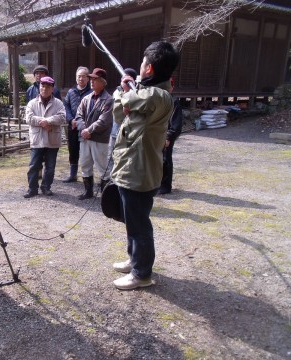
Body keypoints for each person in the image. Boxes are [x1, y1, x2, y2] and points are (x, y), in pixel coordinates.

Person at [111, 41, 180, 290]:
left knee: (140, 225)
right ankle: (134, 260)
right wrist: (126, 88)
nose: (139, 67)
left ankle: (142, 274)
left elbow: (133, 100)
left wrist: (125, 89)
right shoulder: (144, 94)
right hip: (130, 169)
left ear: (149, 69)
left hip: (141, 173)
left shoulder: (158, 97)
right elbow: (120, 115)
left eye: (142, 62)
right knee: (132, 221)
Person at [73, 68, 113, 200]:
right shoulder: (86, 98)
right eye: (92, 79)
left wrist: (88, 131)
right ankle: (88, 191)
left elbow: (104, 120)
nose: (92, 82)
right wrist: (84, 130)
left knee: (102, 166)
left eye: (95, 79)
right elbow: (78, 115)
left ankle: (105, 195)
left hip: (99, 138)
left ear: (103, 82)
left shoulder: (108, 100)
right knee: (85, 164)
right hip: (85, 138)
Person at [23, 76, 66, 198]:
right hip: (37, 139)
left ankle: (46, 187)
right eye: (42, 86)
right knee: (33, 165)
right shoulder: (32, 103)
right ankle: (32, 188)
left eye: (48, 87)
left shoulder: (58, 103)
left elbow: (62, 117)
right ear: (39, 88)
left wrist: (48, 121)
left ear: (52, 89)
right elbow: (29, 118)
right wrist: (44, 122)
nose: (45, 89)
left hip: (52, 139)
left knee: (50, 167)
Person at [62, 66, 92, 183]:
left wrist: (81, 123)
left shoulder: (91, 92)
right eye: (79, 76)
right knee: (73, 150)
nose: (81, 79)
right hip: (72, 126)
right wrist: (70, 120)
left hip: (86, 127)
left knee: (87, 153)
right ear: (76, 78)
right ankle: (73, 175)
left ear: (88, 78)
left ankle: (88, 177)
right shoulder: (71, 92)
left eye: (84, 76)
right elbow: (66, 106)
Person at [107, 68, 137, 172]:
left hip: (130, 133)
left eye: (126, 79)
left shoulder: (137, 93)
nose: (123, 81)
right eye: (122, 78)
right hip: (115, 131)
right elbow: (117, 113)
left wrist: (128, 92)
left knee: (127, 159)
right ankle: (109, 182)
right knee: (111, 157)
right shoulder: (117, 92)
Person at [159, 78, 182, 194]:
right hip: (156, 135)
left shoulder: (174, 101)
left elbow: (176, 123)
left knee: (166, 159)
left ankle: (165, 185)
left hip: (167, 135)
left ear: (172, 88)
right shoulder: (159, 99)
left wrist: (169, 136)